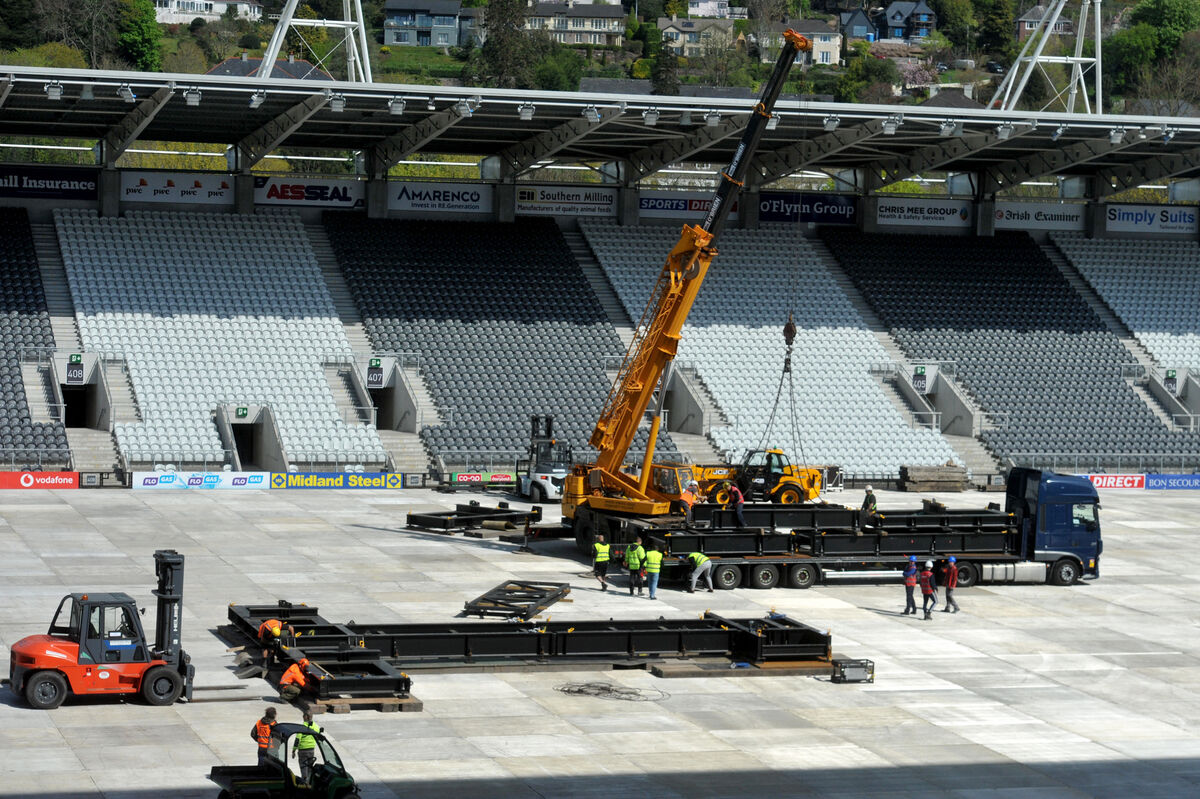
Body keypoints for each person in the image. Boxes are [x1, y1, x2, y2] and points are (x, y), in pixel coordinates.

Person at [293, 711, 322, 784]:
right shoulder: (315, 726)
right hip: (311, 750)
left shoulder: (302, 727)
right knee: (309, 768)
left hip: (302, 751)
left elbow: (297, 740)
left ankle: (304, 784)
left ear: (305, 717)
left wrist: (293, 750)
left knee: (303, 768)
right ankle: (309, 783)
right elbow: (319, 734)